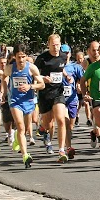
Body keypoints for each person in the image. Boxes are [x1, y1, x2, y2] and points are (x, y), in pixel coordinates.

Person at [4, 44, 43, 168]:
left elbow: (42, 85)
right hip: (15, 101)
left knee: (26, 128)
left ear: (27, 56)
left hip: (28, 100)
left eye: (23, 57)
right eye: (18, 57)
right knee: (20, 126)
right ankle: (25, 155)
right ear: (14, 57)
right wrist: (4, 91)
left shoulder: (32, 68)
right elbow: (4, 77)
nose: (21, 60)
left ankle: (17, 138)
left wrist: (30, 86)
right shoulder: (10, 68)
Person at [35, 34, 71, 162]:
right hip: (45, 93)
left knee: (61, 120)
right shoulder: (42, 58)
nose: (56, 47)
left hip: (58, 92)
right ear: (48, 44)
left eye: (57, 45)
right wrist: (42, 78)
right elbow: (34, 74)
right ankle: (43, 129)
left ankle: (61, 150)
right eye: (53, 45)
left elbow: (61, 69)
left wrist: (67, 76)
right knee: (48, 123)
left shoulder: (63, 56)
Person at [61, 44, 84, 160]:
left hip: (72, 98)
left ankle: (67, 144)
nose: (65, 55)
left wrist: (79, 85)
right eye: (63, 53)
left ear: (70, 53)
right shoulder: (56, 66)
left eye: (67, 53)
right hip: (60, 99)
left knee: (70, 126)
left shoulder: (75, 67)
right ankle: (68, 147)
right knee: (65, 124)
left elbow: (83, 79)